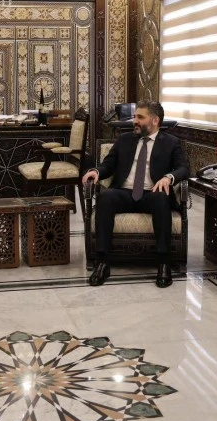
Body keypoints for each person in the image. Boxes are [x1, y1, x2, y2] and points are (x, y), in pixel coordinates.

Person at [81, 101, 189, 288]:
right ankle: (103, 262)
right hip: (125, 192)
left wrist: (168, 178)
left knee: (161, 197)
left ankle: (163, 263)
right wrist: (96, 172)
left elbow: (183, 168)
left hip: (152, 193)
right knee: (105, 198)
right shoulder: (124, 139)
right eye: (135, 116)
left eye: (140, 117)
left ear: (155, 120)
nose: (134, 121)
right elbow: (108, 165)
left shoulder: (171, 142)